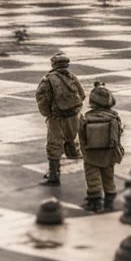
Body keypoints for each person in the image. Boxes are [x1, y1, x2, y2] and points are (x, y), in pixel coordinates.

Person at [35, 54, 85, 186]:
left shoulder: (48, 79)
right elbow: (82, 94)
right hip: (73, 115)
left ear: (53, 65)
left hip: (56, 117)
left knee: (54, 144)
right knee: (72, 140)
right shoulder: (72, 77)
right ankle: (82, 165)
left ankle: (54, 176)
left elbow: (42, 99)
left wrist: (47, 114)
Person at [78, 82, 124, 213]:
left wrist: (84, 152)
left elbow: (81, 136)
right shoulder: (114, 117)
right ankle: (109, 202)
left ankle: (95, 202)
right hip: (108, 153)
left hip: (91, 154)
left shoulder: (86, 117)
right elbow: (117, 136)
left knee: (93, 178)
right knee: (108, 177)